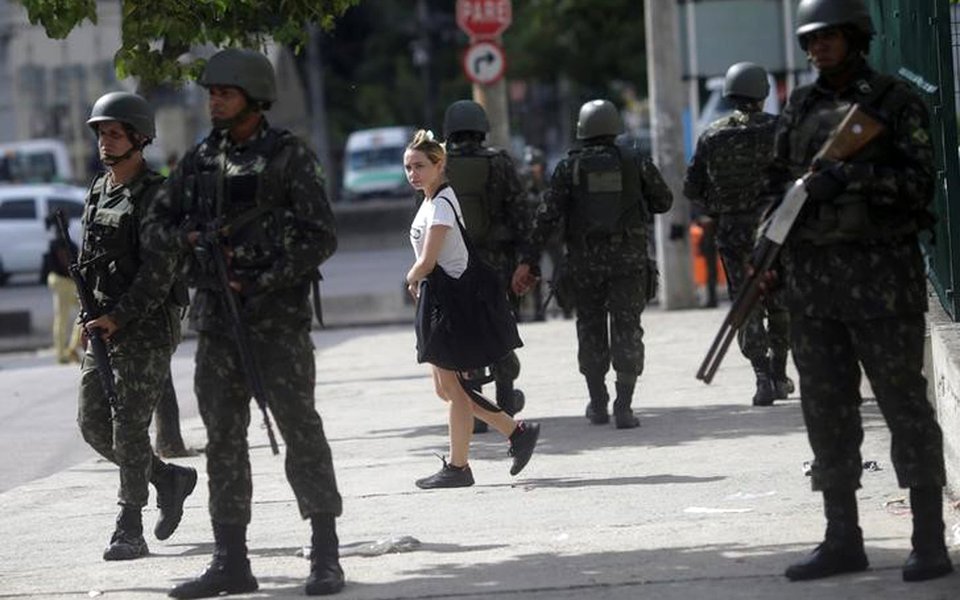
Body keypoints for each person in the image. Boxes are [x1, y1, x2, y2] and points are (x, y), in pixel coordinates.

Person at [144, 48, 345, 598]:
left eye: (224, 93)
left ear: (253, 99)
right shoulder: (200, 160)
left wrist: (263, 279)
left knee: (301, 431)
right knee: (223, 442)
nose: (213, 101)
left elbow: (320, 235)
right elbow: (156, 223)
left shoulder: (288, 158)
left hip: (276, 323)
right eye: (210, 92)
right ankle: (231, 559)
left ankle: (325, 554)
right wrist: (188, 242)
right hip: (217, 326)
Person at [763, 0, 952, 583]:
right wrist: (763, 247)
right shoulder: (800, 105)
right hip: (814, 290)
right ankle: (841, 537)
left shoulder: (894, 102)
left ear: (855, 36)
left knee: (905, 410)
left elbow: (921, 183)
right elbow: (778, 188)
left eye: (829, 37)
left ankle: (928, 539)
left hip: (881, 286)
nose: (818, 48)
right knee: (826, 414)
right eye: (811, 40)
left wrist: (852, 176)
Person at [76, 91, 197, 561]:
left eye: (114, 133)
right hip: (102, 325)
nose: (105, 142)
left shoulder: (157, 195)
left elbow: (158, 273)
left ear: (139, 138)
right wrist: (89, 318)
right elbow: (92, 262)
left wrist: (118, 317)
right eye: (101, 133)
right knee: (92, 425)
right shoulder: (99, 189)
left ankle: (130, 525)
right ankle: (168, 478)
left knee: (128, 426)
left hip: (146, 324)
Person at [512, 100, 673, 429]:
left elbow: (546, 217)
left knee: (590, 328)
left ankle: (598, 404)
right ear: (614, 126)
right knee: (627, 328)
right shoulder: (635, 161)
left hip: (584, 263)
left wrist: (529, 259)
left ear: (582, 130)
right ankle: (624, 407)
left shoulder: (568, 167)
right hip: (628, 260)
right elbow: (663, 201)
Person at [404, 129, 540, 489]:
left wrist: (411, 277)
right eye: (408, 167)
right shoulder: (430, 202)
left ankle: (463, 465)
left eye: (419, 166)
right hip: (439, 300)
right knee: (447, 390)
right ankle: (514, 432)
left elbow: (429, 260)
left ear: (439, 164)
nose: (412, 174)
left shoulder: (443, 203)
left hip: (451, 304)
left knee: (455, 389)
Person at [684, 61, 794, 406]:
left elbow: (692, 188)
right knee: (780, 302)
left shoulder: (712, 135)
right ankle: (778, 372)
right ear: (762, 93)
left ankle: (761, 377)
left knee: (745, 303)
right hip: (775, 230)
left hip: (733, 233)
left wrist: (718, 209)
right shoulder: (780, 130)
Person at [443, 100, 530, 421]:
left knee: (465, 331)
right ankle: (505, 401)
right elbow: (521, 215)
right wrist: (527, 259)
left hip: (454, 265)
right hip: (497, 264)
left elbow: (424, 221)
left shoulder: (439, 166)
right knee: (498, 326)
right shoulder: (500, 163)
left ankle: (475, 412)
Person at [43, 215, 82, 363]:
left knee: (61, 318)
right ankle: (70, 348)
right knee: (81, 313)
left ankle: (62, 352)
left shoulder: (53, 244)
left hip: (57, 280)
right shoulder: (69, 244)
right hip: (65, 282)